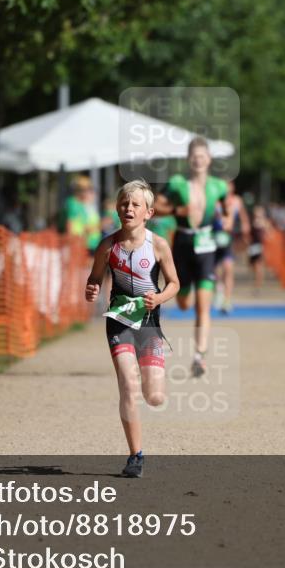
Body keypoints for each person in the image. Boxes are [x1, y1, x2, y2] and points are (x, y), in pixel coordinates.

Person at [85, 180, 179, 478]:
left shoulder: (158, 245)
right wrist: (91, 288)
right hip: (119, 319)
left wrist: (159, 298)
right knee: (128, 383)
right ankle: (135, 455)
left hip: (148, 322)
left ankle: (154, 384)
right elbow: (94, 278)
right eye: (124, 204)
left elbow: (174, 283)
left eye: (136, 204)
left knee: (154, 396)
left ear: (148, 212)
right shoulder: (107, 246)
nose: (129, 208)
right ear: (117, 209)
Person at [154, 137, 228, 377]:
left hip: (206, 247)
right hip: (183, 245)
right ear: (189, 160)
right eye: (194, 157)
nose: (198, 161)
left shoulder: (219, 186)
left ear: (209, 159)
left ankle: (200, 356)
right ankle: (185, 295)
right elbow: (155, 207)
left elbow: (227, 210)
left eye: (202, 156)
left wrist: (226, 221)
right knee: (184, 303)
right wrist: (177, 210)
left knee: (203, 307)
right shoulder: (177, 184)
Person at [214, 180, 250, 314]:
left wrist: (245, 228)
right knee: (216, 270)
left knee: (228, 268)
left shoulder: (237, 201)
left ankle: (227, 299)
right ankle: (219, 291)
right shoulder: (215, 200)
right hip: (214, 238)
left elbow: (243, 217)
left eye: (229, 185)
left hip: (228, 238)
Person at [65, 175, 102, 255]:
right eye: (86, 190)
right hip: (78, 241)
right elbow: (70, 223)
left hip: (86, 241)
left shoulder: (83, 205)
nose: (87, 192)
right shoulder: (73, 203)